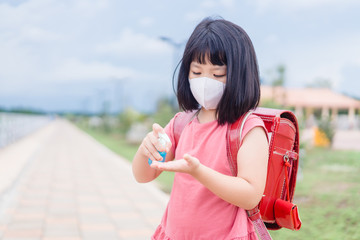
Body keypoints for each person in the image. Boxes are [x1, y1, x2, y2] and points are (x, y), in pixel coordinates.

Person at [132, 17, 269, 240]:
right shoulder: (181, 123)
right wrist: (145, 150)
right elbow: (144, 175)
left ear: (241, 75)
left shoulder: (248, 128)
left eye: (217, 75)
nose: (205, 81)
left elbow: (250, 195)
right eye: (196, 72)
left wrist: (198, 171)